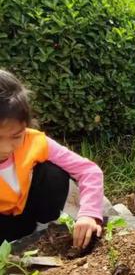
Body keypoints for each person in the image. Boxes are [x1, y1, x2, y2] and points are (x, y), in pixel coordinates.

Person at [0, 69, 104, 248]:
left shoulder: (34, 142)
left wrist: (88, 214)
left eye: (16, 136)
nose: (6, 148)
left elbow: (88, 171)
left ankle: (46, 237)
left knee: (51, 172)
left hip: (30, 220)